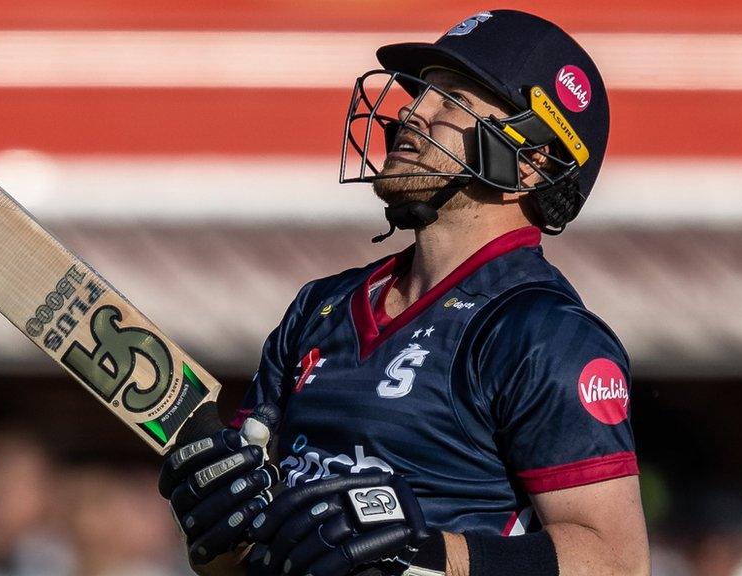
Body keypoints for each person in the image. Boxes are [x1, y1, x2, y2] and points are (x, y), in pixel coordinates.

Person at [158, 9, 649, 576]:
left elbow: (618, 560)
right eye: (421, 94)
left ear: (532, 161)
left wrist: (427, 555)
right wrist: (220, 526)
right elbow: (239, 561)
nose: (414, 112)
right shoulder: (319, 307)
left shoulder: (544, 335)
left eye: (452, 100)